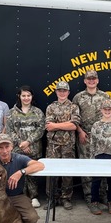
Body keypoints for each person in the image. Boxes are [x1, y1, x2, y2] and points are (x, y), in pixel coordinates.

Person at [0, 134, 42, 223]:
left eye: (7, 147)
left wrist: (21, 172)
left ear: (12, 147)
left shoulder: (19, 158)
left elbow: (40, 165)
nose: (4, 151)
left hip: (16, 196)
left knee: (32, 218)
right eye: (0, 148)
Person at [72, 70, 111, 209]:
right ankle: (90, 198)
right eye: (89, 79)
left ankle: (102, 196)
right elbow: (74, 118)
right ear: (85, 81)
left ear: (97, 80)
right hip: (85, 136)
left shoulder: (105, 96)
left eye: (94, 78)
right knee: (87, 167)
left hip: (102, 137)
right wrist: (80, 132)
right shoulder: (78, 97)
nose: (91, 81)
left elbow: (109, 116)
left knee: (103, 166)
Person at [5, 85, 46, 208]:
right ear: (19, 96)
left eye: (28, 95)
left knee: (32, 174)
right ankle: (19, 197)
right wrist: (21, 144)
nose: (26, 98)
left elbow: (41, 129)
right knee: (17, 172)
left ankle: (33, 196)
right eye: (24, 95)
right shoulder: (12, 112)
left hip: (33, 148)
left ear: (32, 97)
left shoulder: (38, 112)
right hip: (17, 149)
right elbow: (9, 130)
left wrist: (28, 142)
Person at [45, 81, 80, 210]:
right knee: (51, 173)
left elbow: (74, 125)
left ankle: (66, 198)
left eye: (64, 91)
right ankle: (52, 198)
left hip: (68, 145)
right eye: (60, 90)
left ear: (68, 92)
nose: (62, 93)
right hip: (53, 145)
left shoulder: (74, 107)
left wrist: (56, 125)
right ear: (56, 92)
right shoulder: (50, 107)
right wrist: (64, 124)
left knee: (67, 173)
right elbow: (48, 127)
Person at [89, 99, 111, 215]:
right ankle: (94, 202)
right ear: (101, 110)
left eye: (110, 109)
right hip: (98, 156)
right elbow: (92, 143)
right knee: (96, 180)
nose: (107, 111)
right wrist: (91, 159)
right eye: (105, 109)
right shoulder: (96, 125)